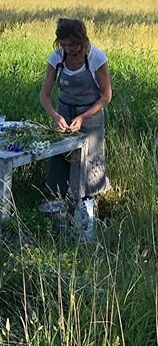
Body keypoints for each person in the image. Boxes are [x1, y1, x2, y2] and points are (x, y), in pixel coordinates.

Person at [39, 17, 112, 210]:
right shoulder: (56, 58)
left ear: (82, 40)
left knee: (88, 162)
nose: (68, 49)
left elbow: (106, 96)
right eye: (64, 45)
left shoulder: (97, 58)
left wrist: (82, 117)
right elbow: (44, 95)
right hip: (64, 113)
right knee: (60, 157)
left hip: (91, 116)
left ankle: (88, 207)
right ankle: (59, 202)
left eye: (72, 44)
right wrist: (55, 115)